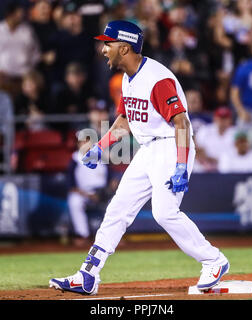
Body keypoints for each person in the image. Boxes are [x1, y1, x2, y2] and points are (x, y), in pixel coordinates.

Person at [49, 20, 229, 296]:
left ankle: (213, 260)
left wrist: (181, 164)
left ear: (124, 47)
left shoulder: (158, 79)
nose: (103, 49)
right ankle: (88, 274)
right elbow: (124, 120)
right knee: (117, 210)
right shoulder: (127, 77)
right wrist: (101, 147)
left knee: (165, 212)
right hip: (148, 148)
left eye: (108, 44)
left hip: (171, 145)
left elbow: (182, 123)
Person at [0, 1, 41, 97]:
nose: (22, 15)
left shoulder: (27, 31)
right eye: (19, 13)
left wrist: (29, 68)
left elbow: (36, 54)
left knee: (37, 81)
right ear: (10, 15)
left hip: (24, 78)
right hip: (2, 78)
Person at [194, 107, 236, 172]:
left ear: (230, 120)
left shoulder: (235, 132)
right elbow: (197, 149)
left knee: (226, 163)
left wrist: (219, 161)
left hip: (228, 166)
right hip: (206, 163)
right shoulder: (205, 130)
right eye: (220, 118)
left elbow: (237, 154)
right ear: (215, 118)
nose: (222, 121)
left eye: (225, 118)